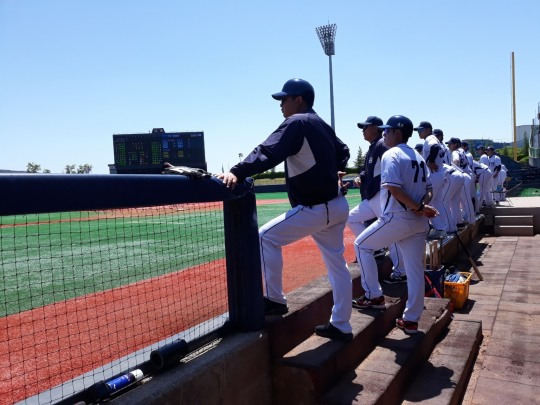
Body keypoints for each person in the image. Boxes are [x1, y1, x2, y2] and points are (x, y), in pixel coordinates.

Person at [218, 78, 353, 341]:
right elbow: (344, 151)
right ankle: (342, 325)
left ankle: (275, 300)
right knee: (338, 267)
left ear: (298, 99)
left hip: (317, 207)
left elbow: (268, 151)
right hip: (336, 205)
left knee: (265, 237)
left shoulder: (298, 122)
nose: (281, 105)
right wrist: (335, 169)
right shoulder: (321, 123)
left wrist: (237, 170)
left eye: (284, 99)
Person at [351, 115, 437, 335]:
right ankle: (411, 320)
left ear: (398, 133)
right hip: (418, 222)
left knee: (362, 245)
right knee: (415, 271)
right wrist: (422, 207)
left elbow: (393, 189)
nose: (384, 134)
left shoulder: (392, 154)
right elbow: (429, 190)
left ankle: (373, 296)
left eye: (387, 131)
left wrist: (417, 207)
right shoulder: (417, 155)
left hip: (397, 218)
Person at [346, 116, 406, 285]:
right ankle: (377, 248)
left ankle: (401, 272)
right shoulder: (373, 146)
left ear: (376, 128)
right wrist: (361, 176)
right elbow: (369, 170)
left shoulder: (381, 144)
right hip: (373, 198)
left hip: (381, 196)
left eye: (365, 127)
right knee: (351, 217)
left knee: (391, 232)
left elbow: (393, 165)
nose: (363, 131)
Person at [416, 123, 449, 236]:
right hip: (439, 173)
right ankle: (442, 228)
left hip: (434, 174)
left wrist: (430, 161)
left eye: (421, 130)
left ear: (428, 130)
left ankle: (438, 229)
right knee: (438, 202)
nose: (419, 132)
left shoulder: (430, 138)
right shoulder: (434, 139)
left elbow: (434, 147)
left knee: (429, 201)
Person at [446, 137, 475, 224]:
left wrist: (451, 168)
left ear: (455, 144)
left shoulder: (455, 152)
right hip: (466, 176)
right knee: (462, 200)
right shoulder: (462, 150)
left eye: (450, 143)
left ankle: (471, 219)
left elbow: (456, 160)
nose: (449, 145)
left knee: (466, 199)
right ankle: (464, 218)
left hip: (464, 176)